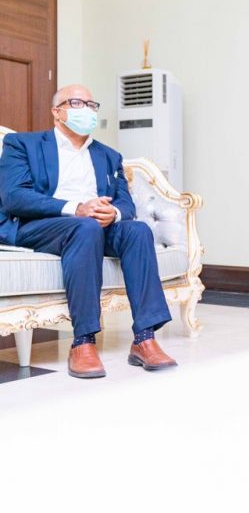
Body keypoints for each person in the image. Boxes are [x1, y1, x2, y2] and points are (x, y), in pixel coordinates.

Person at [0, 84, 177, 378]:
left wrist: (114, 213)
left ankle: (145, 339)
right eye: (76, 103)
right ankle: (83, 341)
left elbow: (124, 202)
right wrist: (76, 207)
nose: (87, 110)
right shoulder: (23, 144)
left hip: (95, 226)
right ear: (57, 112)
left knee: (137, 231)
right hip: (40, 225)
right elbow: (14, 196)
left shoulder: (108, 155)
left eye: (91, 105)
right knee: (84, 226)